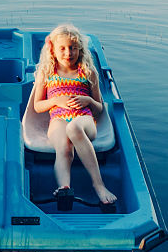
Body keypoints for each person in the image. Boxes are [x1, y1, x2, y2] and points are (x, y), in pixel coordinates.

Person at [28, 24, 117, 205]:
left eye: (73, 48)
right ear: (53, 50)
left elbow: (99, 108)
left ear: (80, 49)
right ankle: (64, 188)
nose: (68, 53)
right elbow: (37, 106)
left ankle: (98, 185)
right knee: (65, 148)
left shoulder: (88, 73)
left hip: (84, 120)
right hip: (58, 119)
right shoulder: (47, 73)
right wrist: (55, 101)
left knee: (74, 128)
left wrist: (88, 100)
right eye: (62, 48)